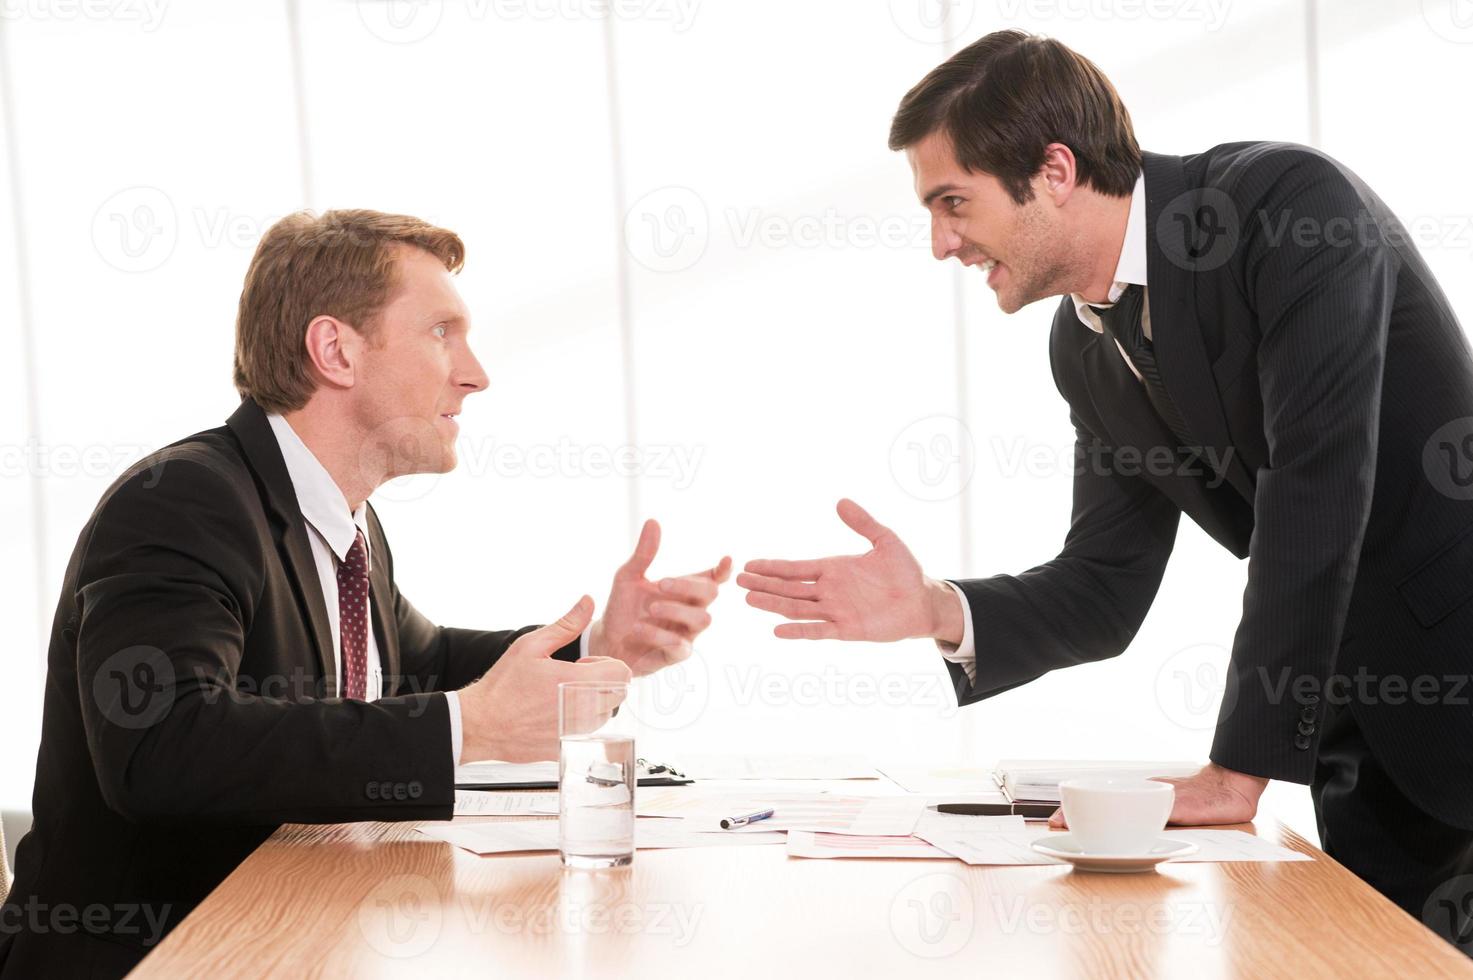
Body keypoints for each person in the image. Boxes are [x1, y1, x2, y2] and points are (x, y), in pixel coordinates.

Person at [740, 30, 1473, 947]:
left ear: (1052, 170)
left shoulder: (1284, 210)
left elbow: (1315, 492)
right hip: (1359, 733)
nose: (939, 243)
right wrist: (935, 607)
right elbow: (1104, 585)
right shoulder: (1085, 347)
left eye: (952, 202)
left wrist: (1234, 772)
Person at [0, 209, 730, 977]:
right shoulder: (183, 501)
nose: (475, 372)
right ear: (335, 351)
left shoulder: (346, 522)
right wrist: (467, 728)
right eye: (441, 332)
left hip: (299, 940)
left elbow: (418, 661)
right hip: (159, 959)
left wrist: (596, 648)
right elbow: (161, 746)